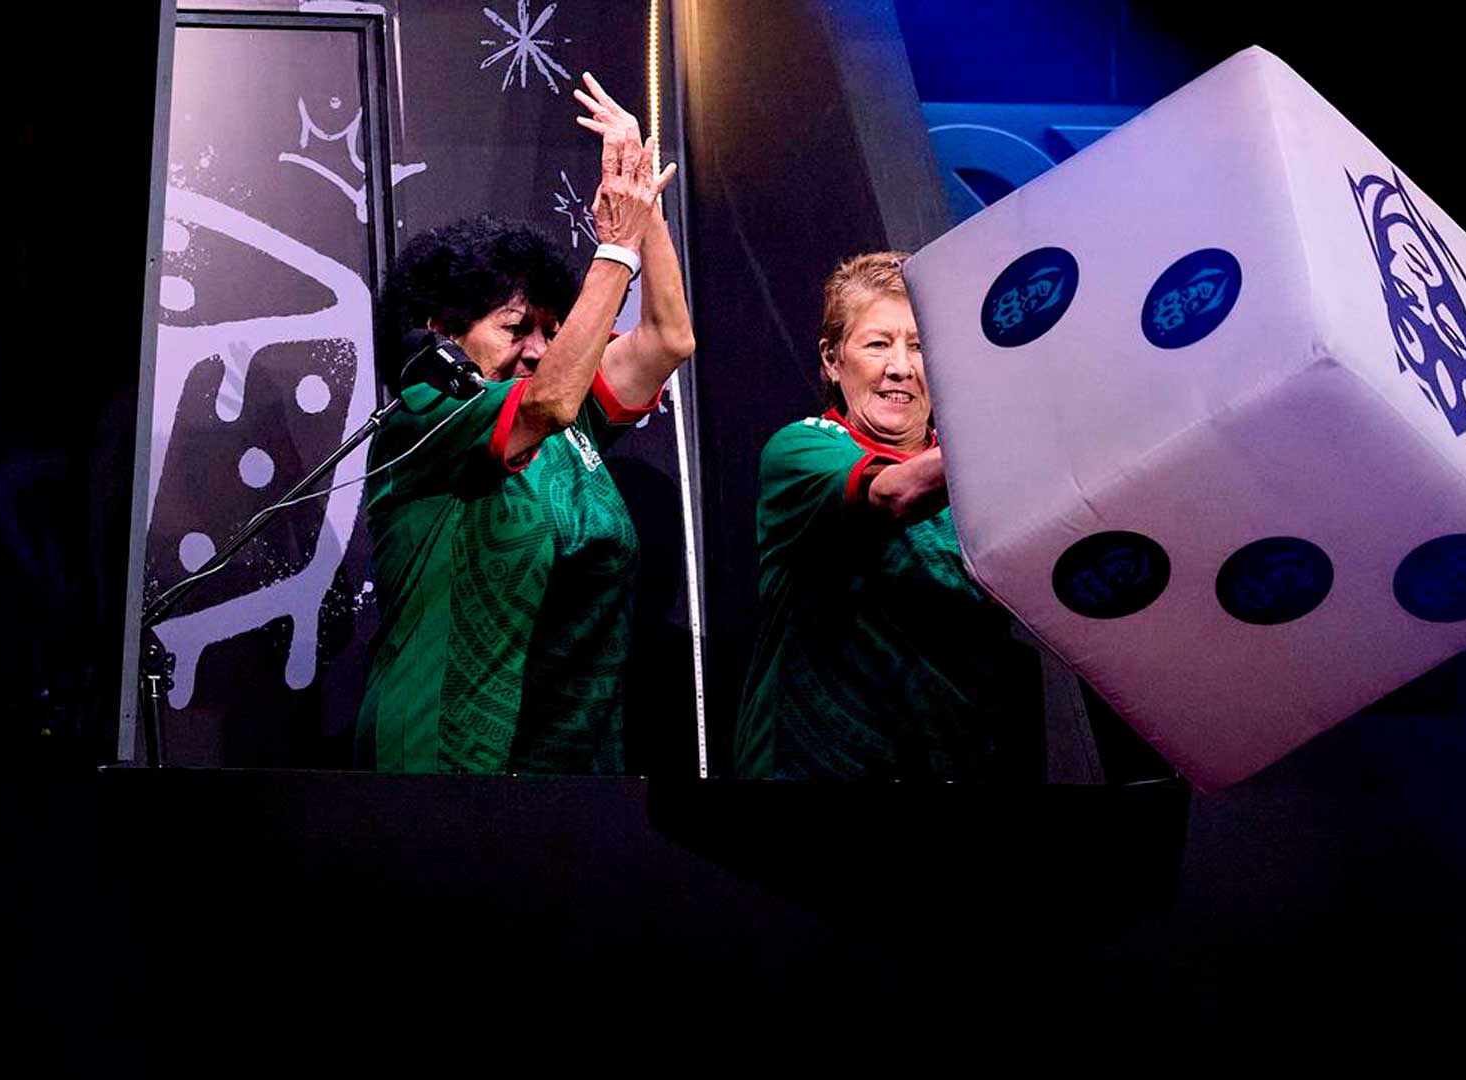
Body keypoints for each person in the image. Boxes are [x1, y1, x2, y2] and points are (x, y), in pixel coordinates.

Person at [356, 73, 692, 773]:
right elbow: (548, 401)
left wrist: (642, 207)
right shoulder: (423, 418)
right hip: (445, 768)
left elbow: (667, 339)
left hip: (568, 771)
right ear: (443, 332)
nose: (538, 349)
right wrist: (615, 250)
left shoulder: (572, 429)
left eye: (551, 329)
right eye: (515, 328)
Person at [734, 252, 1038, 781]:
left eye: (920, 346)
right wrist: (1011, 426)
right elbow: (893, 495)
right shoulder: (802, 449)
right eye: (878, 344)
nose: (900, 366)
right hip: (814, 793)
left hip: (954, 780)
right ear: (832, 358)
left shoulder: (996, 467)